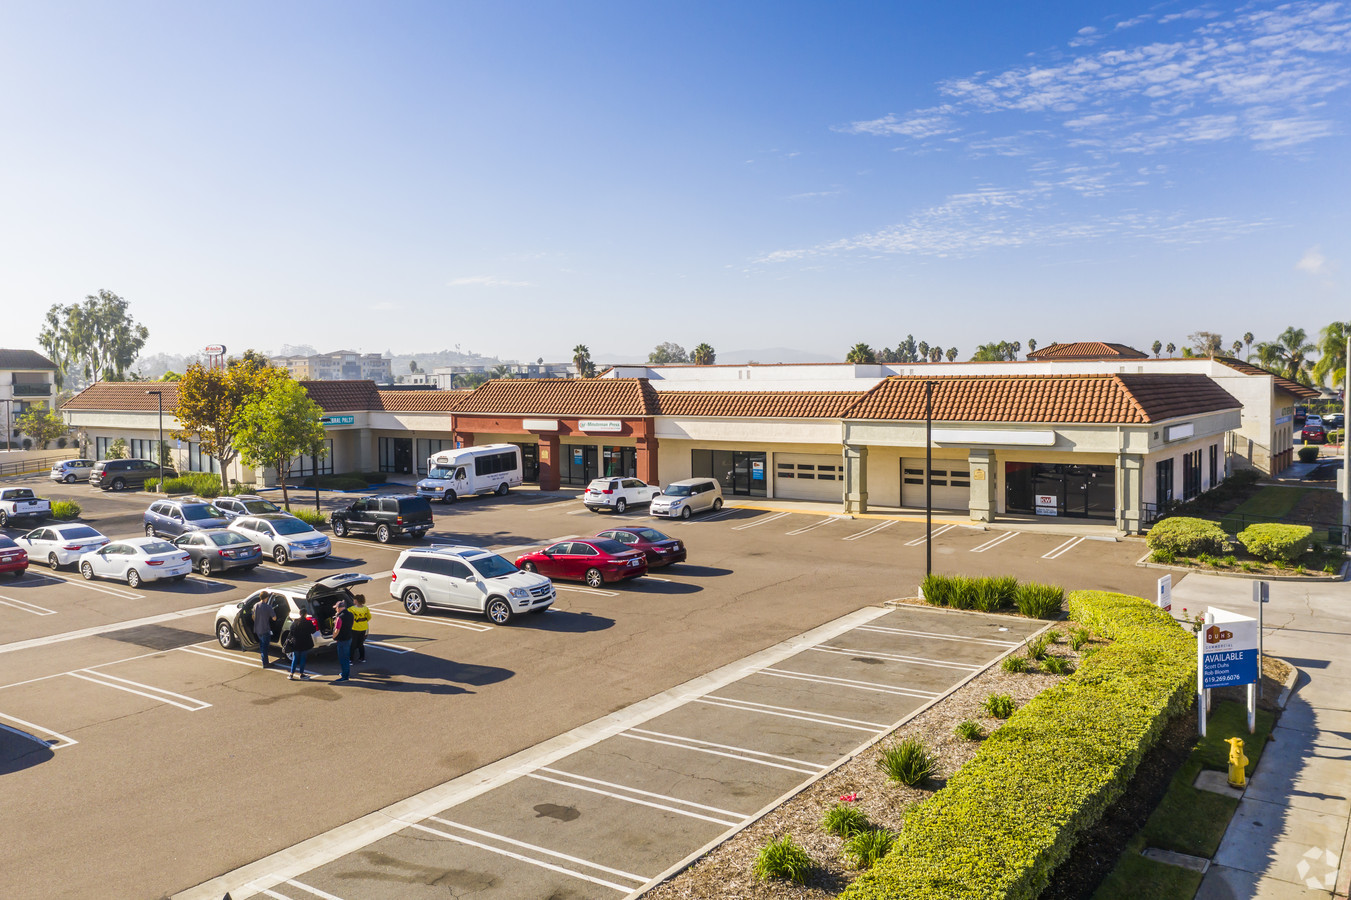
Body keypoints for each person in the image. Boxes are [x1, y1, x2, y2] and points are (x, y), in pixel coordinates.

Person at [288, 613, 316, 680]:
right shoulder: (308, 622)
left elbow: (291, 632)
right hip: (305, 643)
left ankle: (291, 674)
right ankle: (301, 674)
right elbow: (313, 631)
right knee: (303, 659)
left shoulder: (295, 622)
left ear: (299, 614)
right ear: (305, 614)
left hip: (296, 643)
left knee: (295, 659)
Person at [332, 598, 354, 682]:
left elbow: (337, 630)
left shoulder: (340, 617)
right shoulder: (351, 614)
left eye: (336, 607)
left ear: (339, 608)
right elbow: (351, 624)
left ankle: (345, 676)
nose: (336, 609)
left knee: (342, 659)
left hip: (342, 640)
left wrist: (333, 637)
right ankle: (345, 673)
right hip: (348, 638)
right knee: (346, 657)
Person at [253, 593, 276, 669]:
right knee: (265, 647)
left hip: (257, 629)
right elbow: (274, 618)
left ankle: (264, 661)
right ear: (266, 598)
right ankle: (265, 663)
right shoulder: (268, 607)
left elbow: (253, 616)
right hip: (265, 629)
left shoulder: (256, 605)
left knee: (262, 646)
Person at [349, 593, 371, 663]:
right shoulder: (365, 608)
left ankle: (351, 659)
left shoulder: (351, 609)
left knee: (353, 644)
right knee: (361, 644)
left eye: (354, 599)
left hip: (355, 628)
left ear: (356, 601)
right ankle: (362, 658)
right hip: (364, 628)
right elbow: (369, 617)